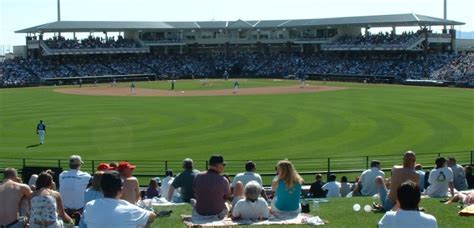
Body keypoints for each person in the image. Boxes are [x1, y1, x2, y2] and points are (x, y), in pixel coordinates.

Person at [83, 172, 157, 228]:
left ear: (101, 190)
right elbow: (152, 217)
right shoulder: (129, 209)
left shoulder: (90, 205)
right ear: (121, 190)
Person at [59, 155, 91, 225]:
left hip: (64, 211)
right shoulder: (86, 176)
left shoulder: (62, 175)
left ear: (69, 165)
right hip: (80, 211)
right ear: (79, 165)